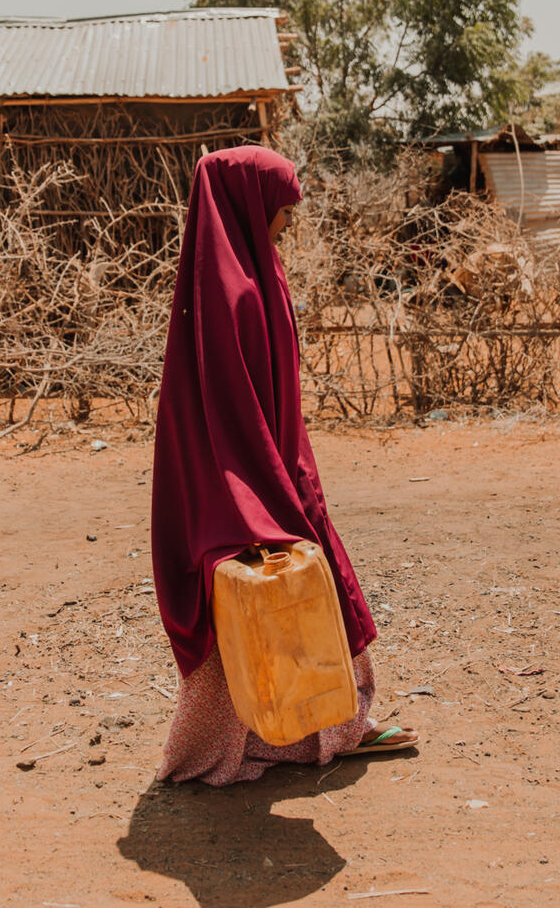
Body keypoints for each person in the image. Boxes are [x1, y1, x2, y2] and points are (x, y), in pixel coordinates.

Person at [150, 144, 418, 787]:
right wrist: (261, 491)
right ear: (247, 204)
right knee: (257, 599)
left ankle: (316, 733)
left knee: (291, 593)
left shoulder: (254, 271)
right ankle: (216, 750)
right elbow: (226, 405)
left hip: (271, 462)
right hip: (239, 476)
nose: (289, 221)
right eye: (282, 208)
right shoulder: (227, 290)